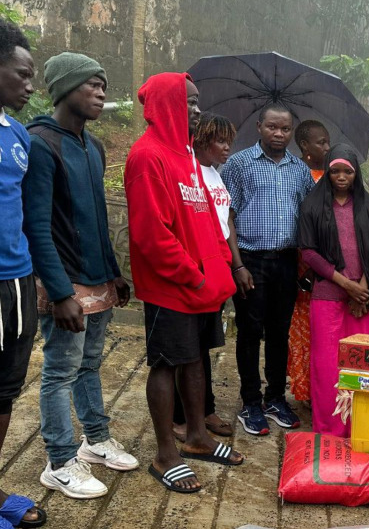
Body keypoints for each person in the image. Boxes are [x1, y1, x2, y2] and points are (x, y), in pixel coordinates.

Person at [23, 52, 137, 500]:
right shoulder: (40, 143)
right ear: (64, 89)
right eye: (91, 83)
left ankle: (95, 439)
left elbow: (93, 218)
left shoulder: (92, 145)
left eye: (103, 84)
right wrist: (58, 291)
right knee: (59, 371)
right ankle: (59, 460)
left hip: (97, 277)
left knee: (90, 363)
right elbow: (36, 226)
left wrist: (115, 273)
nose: (101, 92)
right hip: (64, 282)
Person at [125, 72, 244, 494]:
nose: (197, 110)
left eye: (198, 102)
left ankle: (197, 436)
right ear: (166, 104)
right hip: (171, 285)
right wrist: (192, 274)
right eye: (189, 102)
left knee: (196, 358)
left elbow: (207, 216)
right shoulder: (147, 156)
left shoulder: (188, 157)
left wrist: (220, 266)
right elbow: (150, 234)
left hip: (201, 285)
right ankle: (164, 454)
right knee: (165, 362)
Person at [0, 18, 46, 529]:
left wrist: (41, 279)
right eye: (22, 74)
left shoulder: (18, 134)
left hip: (18, 281)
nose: (30, 86)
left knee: (3, 387)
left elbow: (25, 211)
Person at [221, 104, 315, 435]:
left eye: (285, 129)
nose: (279, 134)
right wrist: (238, 265)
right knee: (249, 332)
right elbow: (227, 216)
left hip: (286, 261)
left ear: (293, 132)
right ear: (259, 126)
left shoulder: (299, 170)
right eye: (272, 127)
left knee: (279, 332)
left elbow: (310, 216)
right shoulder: (238, 163)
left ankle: (275, 397)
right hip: (251, 260)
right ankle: (250, 402)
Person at [299, 143, 369, 437]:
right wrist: (345, 283)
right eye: (334, 171)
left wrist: (362, 288)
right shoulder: (313, 205)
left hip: (361, 299)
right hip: (327, 297)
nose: (340, 177)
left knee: (363, 365)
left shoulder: (365, 205)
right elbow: (308, 252)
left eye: (346, 172)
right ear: (326, 173)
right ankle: (330, 431)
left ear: (355, 174)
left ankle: (362, 427)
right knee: (327, 368)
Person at [169, 112, 237, 441]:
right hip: (197, 270)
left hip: (217, 268)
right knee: (187, 349)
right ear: (204, 138)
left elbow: (225, 222)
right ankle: (181, 417)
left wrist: (233, 265)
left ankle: (205, 409)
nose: (227, 148)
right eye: (221, 141)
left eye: (229, 142)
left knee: (205, 346)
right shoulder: (191, 171)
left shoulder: (214, 173)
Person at [287, 119, 330, 404]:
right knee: (302, 326)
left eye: (327, 142)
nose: (326, 147)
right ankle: (305, 385)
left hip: (326, 262)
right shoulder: (295, 173)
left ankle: (323, 386)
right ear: (304, 145)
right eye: (321, 142)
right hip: (302, 260)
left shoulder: (333, 174)